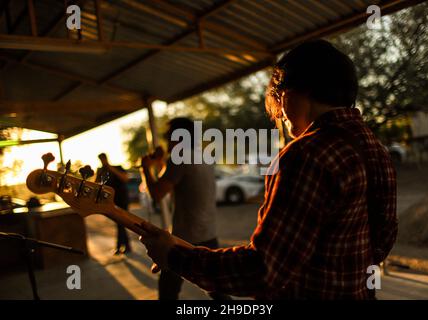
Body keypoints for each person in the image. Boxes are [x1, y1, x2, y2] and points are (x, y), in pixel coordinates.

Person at [139, 40, 398, 300]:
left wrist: (173, 256)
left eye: (278, 93)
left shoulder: (305, 154)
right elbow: (383, 237)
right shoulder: (375, 149)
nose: (279, 111)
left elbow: (262, 271)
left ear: (299, 89)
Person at [141, 118, 231, 300]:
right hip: (208, 234)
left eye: (168, 137)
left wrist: (145, 168)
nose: (167, 141)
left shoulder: (179, 158)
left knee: (167, 293)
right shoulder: (202, 156)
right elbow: (178, 179)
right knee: (217, 292)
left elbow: (157, 193)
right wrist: (160, 162)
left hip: (184, 239)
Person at [96, 153, 131, 255]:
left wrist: (110, 168)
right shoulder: (101, 171)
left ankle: (122, 246)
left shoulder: (117, 167)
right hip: (112, 201)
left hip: (122, 200)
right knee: (120, 224)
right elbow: (97, 184)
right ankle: (125, 246)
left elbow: (125, 178)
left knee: (121, 223)